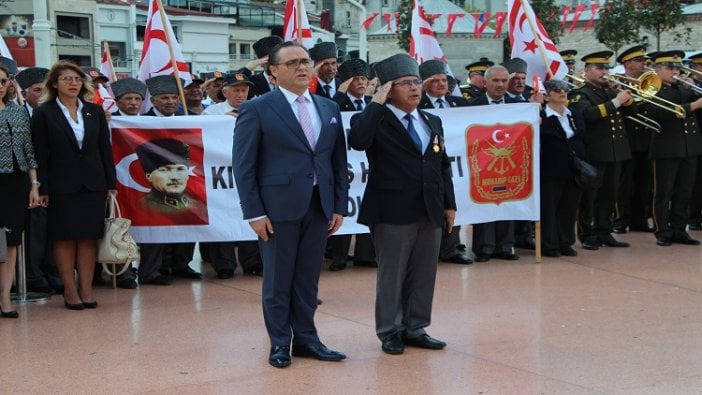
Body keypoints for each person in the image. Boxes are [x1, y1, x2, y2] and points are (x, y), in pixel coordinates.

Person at [233, 41, 349, 368]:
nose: (302, 67)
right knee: (278, 279)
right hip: (276, 209)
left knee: (308, 279)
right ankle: (280, 343)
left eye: (305, 61)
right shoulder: (257, 108)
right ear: (273, 71)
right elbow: (244, 166)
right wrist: (254, 212)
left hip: (319, 206)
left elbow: (337, 161)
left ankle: (308, 340)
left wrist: (338, 205)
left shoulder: (328, 108)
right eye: (292, 62)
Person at [348, 53, 456, 355]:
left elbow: (441, 164)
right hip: (392, 210)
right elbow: (358, 140)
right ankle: (390, 330)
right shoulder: (373, 119)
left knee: (424, 272)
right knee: (392, 274)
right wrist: (375, 103)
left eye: (417, 82)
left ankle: (416, 326)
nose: (415, 88)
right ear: (388, 90)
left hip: (430, 207)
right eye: (406, 83)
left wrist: (450, 203)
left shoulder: (430, 120)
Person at [31, 61, 117, 310]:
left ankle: (86, 289)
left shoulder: (94, 111)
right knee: (65, 238)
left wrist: (110, 183)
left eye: (77, 79)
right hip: (61, 185)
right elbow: (41, 153)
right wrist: (42, 187)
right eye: (67, 79)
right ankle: (70, 290)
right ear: (55, 84)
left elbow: (104, 149)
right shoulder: (44, 112)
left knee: (89, 238)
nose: (73, 83)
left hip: (93, 184)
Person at [568, 51, 637, 250]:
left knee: (609, 194)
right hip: (595, 152)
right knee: (589, 197)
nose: (604, 72)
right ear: (587, 71)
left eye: (606, 68)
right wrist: (617, 101)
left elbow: (633, 114)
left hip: (616, 151)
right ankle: (587, 233)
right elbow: (587, 116)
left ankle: (604, 231)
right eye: (599, 68)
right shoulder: (580, 93)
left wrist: (626, 97)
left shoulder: (610, 91)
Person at [200, 72, 264, 279]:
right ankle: (224, 264)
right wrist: (222, 121)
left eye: (244, 90)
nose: (241, 94)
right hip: (220, 174)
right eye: (236, 90)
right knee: (223, 215)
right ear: (225, 91)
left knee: (251, 213)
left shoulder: (256, 108)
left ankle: (252, 261)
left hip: (249, 171)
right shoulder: (211, 113)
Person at [138, 75, 199, 285]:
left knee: (187, 216)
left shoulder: (191, 118)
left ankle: (182, 264)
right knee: (156, 220)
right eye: (165, 97)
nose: (171, 101)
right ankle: (153, 269)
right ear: (153, 101)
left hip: (184, 183)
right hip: (154, 184)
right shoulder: (139, 120)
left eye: (174, 97)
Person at [417, 59, 472, 265]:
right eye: (436, 80)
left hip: (459, 163)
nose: (442, 84)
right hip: (431, 162)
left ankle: (451, 248)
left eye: (445, 80)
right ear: (424, 84)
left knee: (453, 201)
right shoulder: (418, 104)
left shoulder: (461, 103)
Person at [644, 51, 702, 246]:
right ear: (657, 69)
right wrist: (694, 104)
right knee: (663, 191)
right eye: (670, 67)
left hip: (689, 147)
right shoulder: (652, 89)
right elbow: (662, 112)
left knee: (684, 190)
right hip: (666, 148)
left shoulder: (684, 88)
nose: (675, 71)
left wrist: (694, 87)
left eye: (677, 67)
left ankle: (679, 229)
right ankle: (662, 230)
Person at [327, 58, 377, 271]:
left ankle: (365, 254)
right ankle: (338, 256)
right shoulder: (334, 102)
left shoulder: (372, 104)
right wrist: (339, 93)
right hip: (343, 166)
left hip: (368, 167)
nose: (361, 83)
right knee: (343, 207)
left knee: (367, 206)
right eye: (356, 79)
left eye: (364, 79)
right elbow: (327, 117)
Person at [15, 66, 61, 294]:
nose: (42, 96)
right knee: (34, 230)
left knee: (55, 229)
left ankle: (53, 270)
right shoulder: (17, 117)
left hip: (57, 181)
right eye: (36, 90)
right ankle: (34, 274)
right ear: (23, 94)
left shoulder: (59, 114)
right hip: (29, 182)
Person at [0, 63, 41, 317]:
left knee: (12, 241)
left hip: (16, 182)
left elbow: (28, 150)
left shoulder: (17, 112)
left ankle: (5, 297)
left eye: (3, 81)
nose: (0, 85)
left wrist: (34, 184)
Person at [468, 65, 519, 262]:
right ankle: (484, 247)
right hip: (482, 165)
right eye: (495, 81)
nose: (500, 85)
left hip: (509, 164)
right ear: (485, 82)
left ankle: (505, 246)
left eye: (504, 81)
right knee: (484, 202)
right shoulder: (472, 106)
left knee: (507, 201)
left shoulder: (519, 106)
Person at [539, 79, 586, 257]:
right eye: (557, 89)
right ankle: (549, 244)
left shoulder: (573, 114)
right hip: (551, 168)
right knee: (550, 208)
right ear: (547, 95)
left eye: (565, 89)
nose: (562, 92)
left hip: (573, 168)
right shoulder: (542, 115)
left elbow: (582, 137)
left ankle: (565, 241)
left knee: (568, 207)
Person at [613, 45, 655, 234]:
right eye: (639, 61)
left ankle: (640, 220)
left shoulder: (650, 82)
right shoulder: (618, 84)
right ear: (628, 63)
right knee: (625, 183)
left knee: (644, 182)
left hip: (646, 138)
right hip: (627, 138)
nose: (644, 63)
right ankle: (621, 219)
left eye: (644, 60)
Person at [685, 51, 702, 231]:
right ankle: (694, 217)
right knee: (697, 181)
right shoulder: (689, 86)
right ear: (695, 67)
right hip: (697, 137)